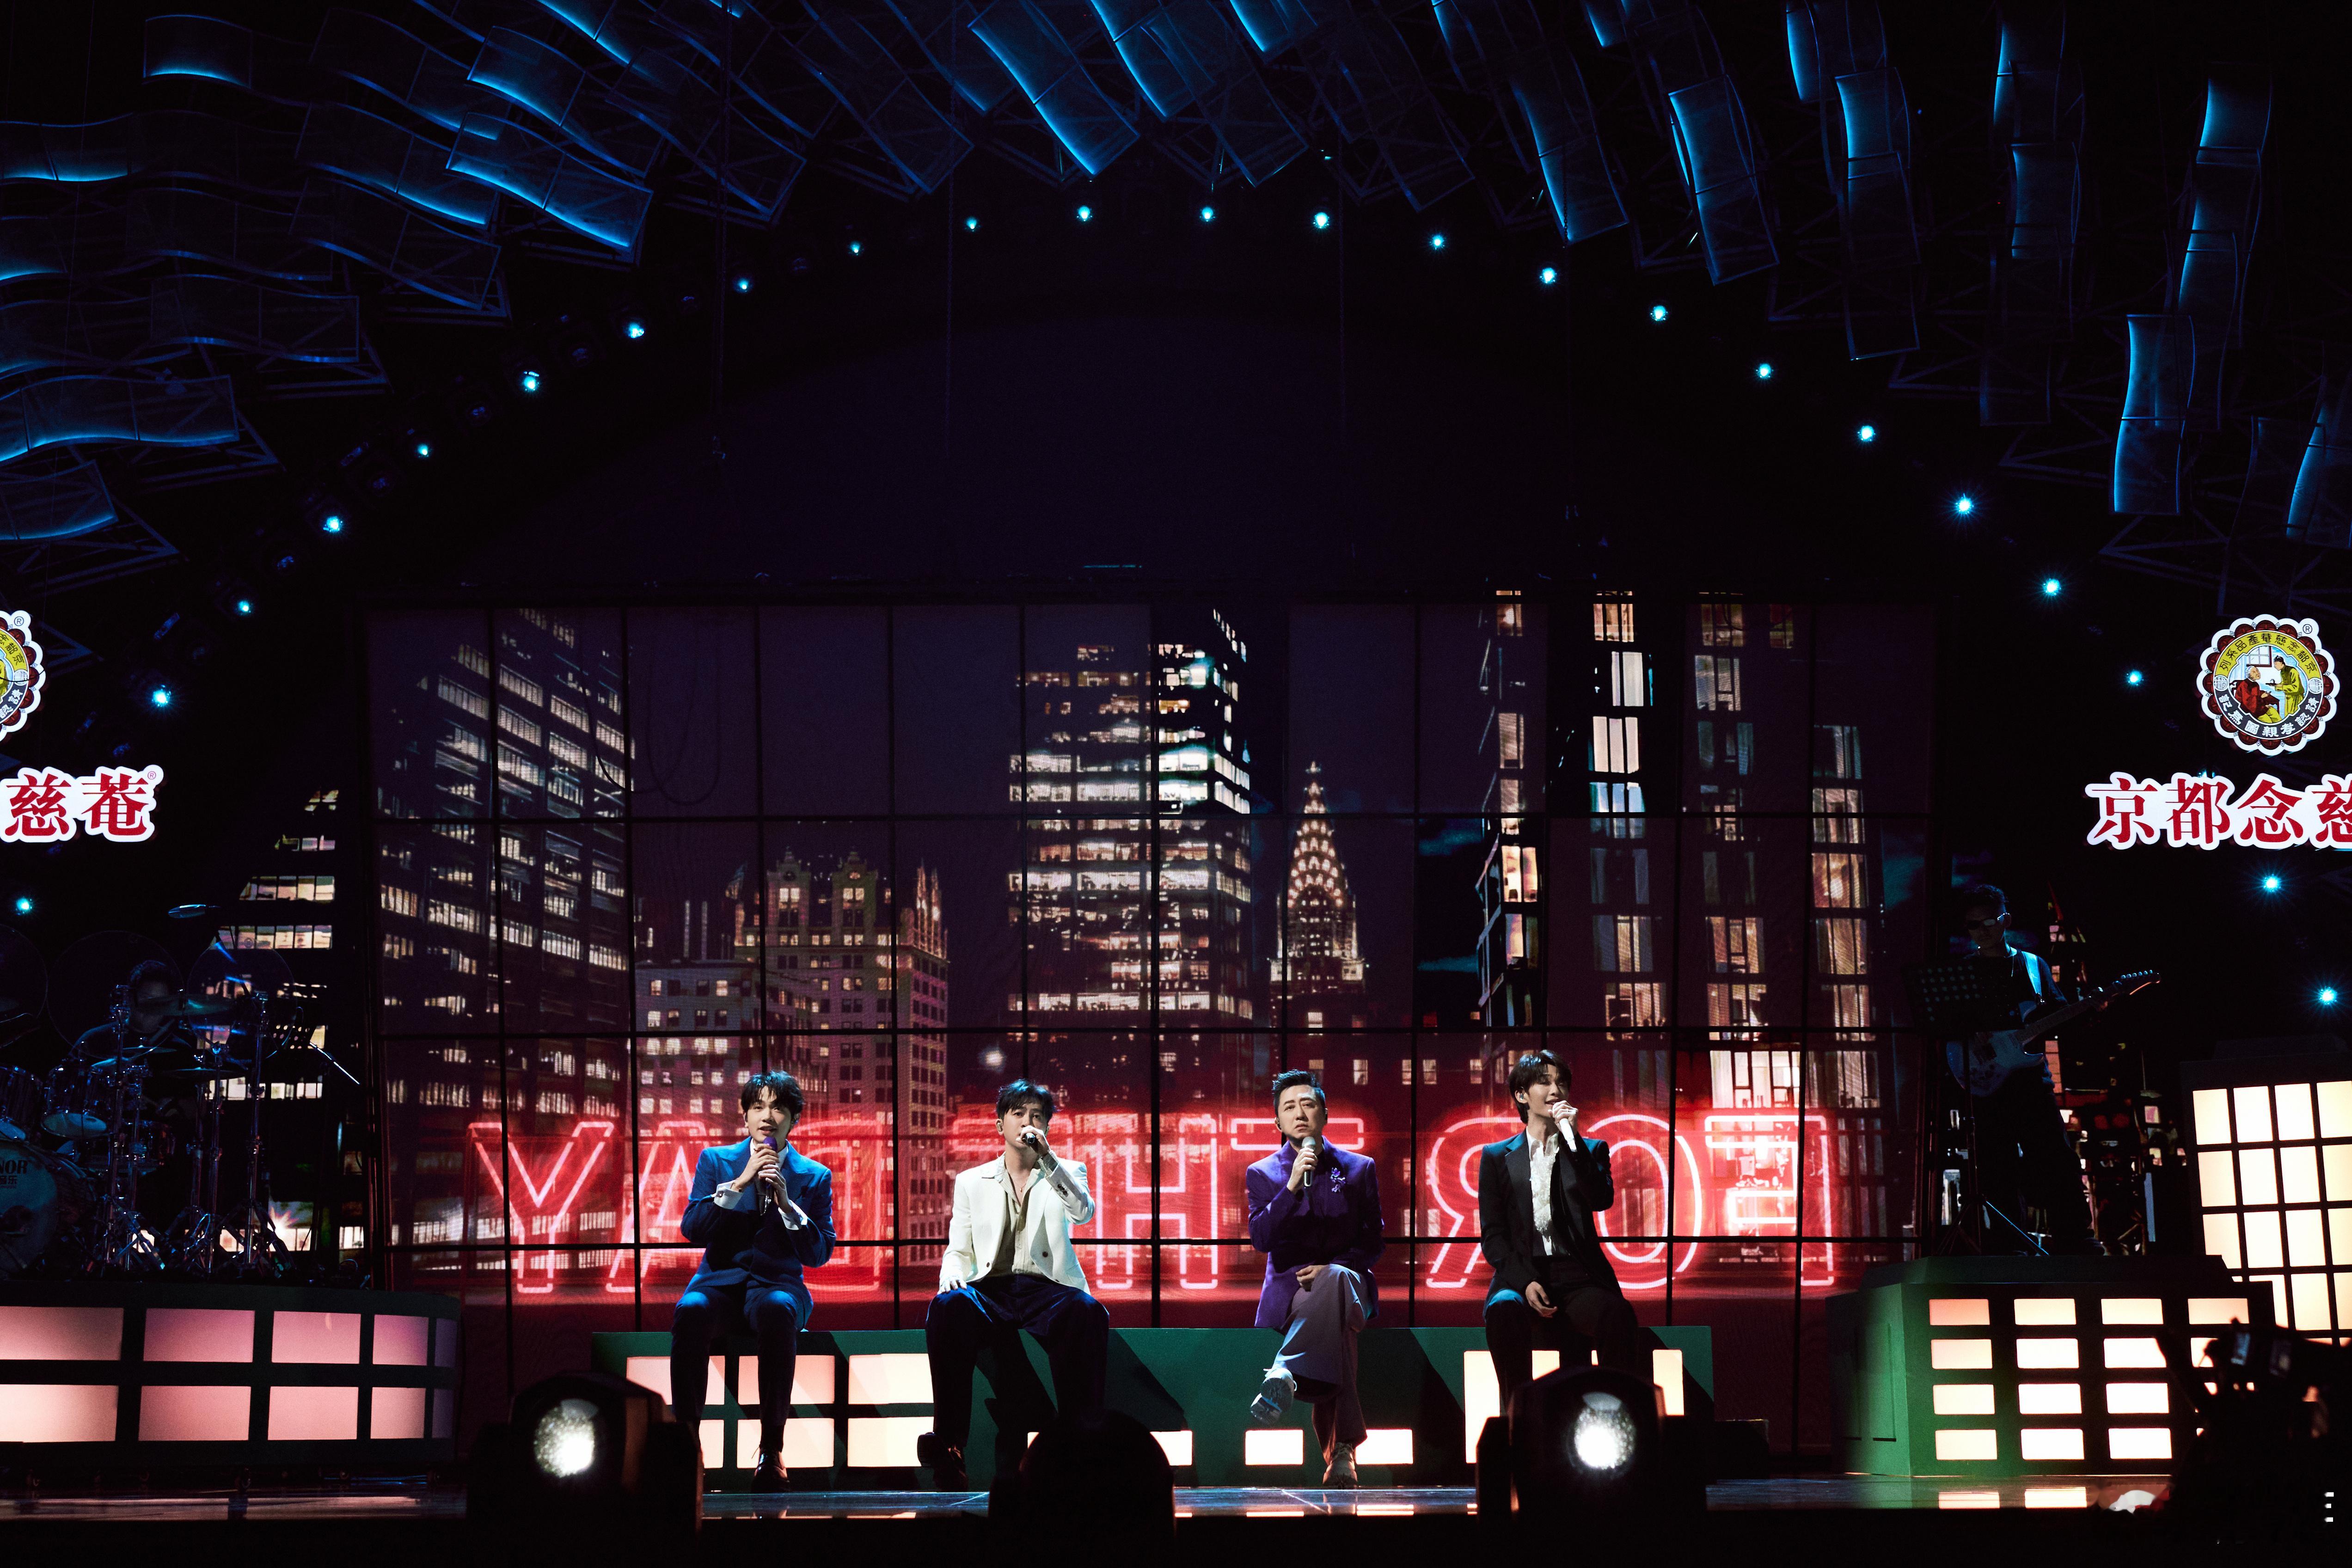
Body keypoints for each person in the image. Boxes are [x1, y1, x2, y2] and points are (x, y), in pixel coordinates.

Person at [919, 1079, 1107, 1488]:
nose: (1027, 1122)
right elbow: (958, 1248)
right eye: (1018, 1114)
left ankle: (1080, 1442)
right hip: (992, 1288)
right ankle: (950, 1443)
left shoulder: (1067, 1170)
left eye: (1037, 1116)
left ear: (1047, 1127)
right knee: (947, 1306)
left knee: (1087, 1312)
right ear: (1000, 1125)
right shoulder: (972, 1181)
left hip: (1046, 1288)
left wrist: (1048, 1160)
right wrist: (950, 1275)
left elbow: (1083, 1212)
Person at [674, 1070, 835, 1489]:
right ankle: (687, 1447)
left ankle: (771, 1450)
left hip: (778, 1286)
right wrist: (742, 1181)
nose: (768, 1116)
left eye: (779, 1108)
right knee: (691, 1310)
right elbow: (693, 1228)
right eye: (758, 1106)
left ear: (794, 1119)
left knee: (778, 1310)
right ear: (744, 1115)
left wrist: (788, 1205)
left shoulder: (814, 1175)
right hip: (719, 1286)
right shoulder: (716, 1162)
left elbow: (819, 1254)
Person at [1479, 1049, 1642, 1418]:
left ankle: (1618, 1420)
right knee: (1504, 1308)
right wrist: (1525, 1282)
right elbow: (1494, 1236)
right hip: (1522, 1273)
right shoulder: (1496, 1157)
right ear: (1522, 1095)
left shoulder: (1589, 1150)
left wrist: (1573, 1140)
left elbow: (1600, 1199)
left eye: (1561, 1083)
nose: (1556, 1091)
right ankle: (1516, 1420)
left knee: (1617, 1314)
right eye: (1544, 1083)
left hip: (1578, 1277)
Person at [1244, 1068, 1384, 1487]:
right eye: (1289, 1107)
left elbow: (1373, 1242)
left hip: (1350, 1282)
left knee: (1337, 1281)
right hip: (1294, 1292)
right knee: (1337, 1332)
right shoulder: (1263, 1173)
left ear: (1324, 1113)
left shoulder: (1358, 1168)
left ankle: (1286, 1370)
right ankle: (1342, 1453)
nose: (1300, 1113)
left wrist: (1333, 1268)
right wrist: (1290, 1189)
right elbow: (1261, 1239)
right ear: (1278, 1121)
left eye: (1308, 1104)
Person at [1946, 884, 2098, 1254]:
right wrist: (1972, 1034)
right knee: (1997, 1167)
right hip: (1987, 1083)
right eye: (1973, 925)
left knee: (2057, 1158)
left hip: (2031, 1080)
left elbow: (2055, 1014)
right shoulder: (1963, 972)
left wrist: (2085, 1010)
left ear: (2006, 921)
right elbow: (1947, 1024)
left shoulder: (2033, 965)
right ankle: (2010, 1245)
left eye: (1989, 922)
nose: (1982, 931)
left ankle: (2076, 1240)